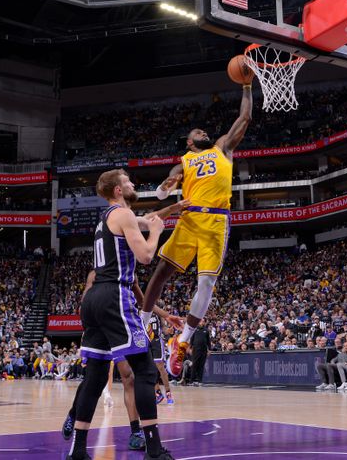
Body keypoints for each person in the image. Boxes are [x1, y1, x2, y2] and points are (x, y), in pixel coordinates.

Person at [139, 78, 254, 377]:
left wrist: (246, 86)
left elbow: (244, 118)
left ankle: (182, 341)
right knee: (162, 272)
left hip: (216, 221)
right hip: (189, 220)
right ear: (190, 142)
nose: (203, 131)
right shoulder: (185, 160)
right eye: (197, 132)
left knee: (206, 284)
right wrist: (166, 186)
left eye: (204, 131)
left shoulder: (223, 149)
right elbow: (164, 188)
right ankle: (141, 326)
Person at [67, 169, 177, 460]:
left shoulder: (109, 217)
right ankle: (153, 449)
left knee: (95, 376)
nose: (133, 183)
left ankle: (77, 450)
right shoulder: (124, 215)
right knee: (145, 369)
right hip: (116, 294)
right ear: (118, 189)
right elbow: (145, 256)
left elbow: (148, 217)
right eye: (128, 181)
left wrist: (175, 209)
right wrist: (155, 234)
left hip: (93, 300)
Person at [189, 320, 210, 385]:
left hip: (203, 350)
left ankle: (199, 381)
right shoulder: (195, 330)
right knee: (194, 365)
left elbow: (208, 341)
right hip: (195, 350)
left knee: (201, 365)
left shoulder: (206, 330)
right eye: (200, 321)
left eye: (203, 321)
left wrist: (209, 350)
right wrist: (190, 348)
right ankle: (192, 381)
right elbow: (191, 340)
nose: (201, 322)